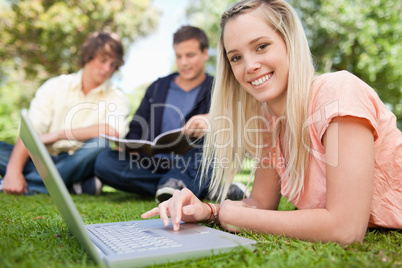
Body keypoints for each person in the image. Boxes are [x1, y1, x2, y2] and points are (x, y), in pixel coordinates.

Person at [142, 0, 402, 245]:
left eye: (261, 46)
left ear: (289, 42)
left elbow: (345, 228)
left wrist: (232, 215)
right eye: (236, 57)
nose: (250, 65)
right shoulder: (268, 121)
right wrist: (207, 210)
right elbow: (260, 204)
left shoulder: (337, 92)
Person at [94, 26, 249, 203]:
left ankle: (179, 183)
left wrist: (210, 121)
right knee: (104, 162)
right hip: (152, 164)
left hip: (194, 163)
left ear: (205, 53)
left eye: (190, 55)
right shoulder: (157, 87)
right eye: (179, 56)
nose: (183, 62)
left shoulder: (218, 89)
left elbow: (234, 124)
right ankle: (199, 188)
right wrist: (131, 146)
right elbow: (137, 126)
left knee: (214, 140)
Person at [0, 32, 130, 195]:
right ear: (88, 56)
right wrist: (13, 171)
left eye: (113, 64)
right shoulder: (55, 86)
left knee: (100, 146)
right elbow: (30, 130)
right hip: (41, 160)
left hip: (80, 163)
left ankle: (23, 186)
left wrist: (59, 134)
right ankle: (72, 187)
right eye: (103, 61)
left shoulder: (117, 97)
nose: (107, 69)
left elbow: (113, 131)